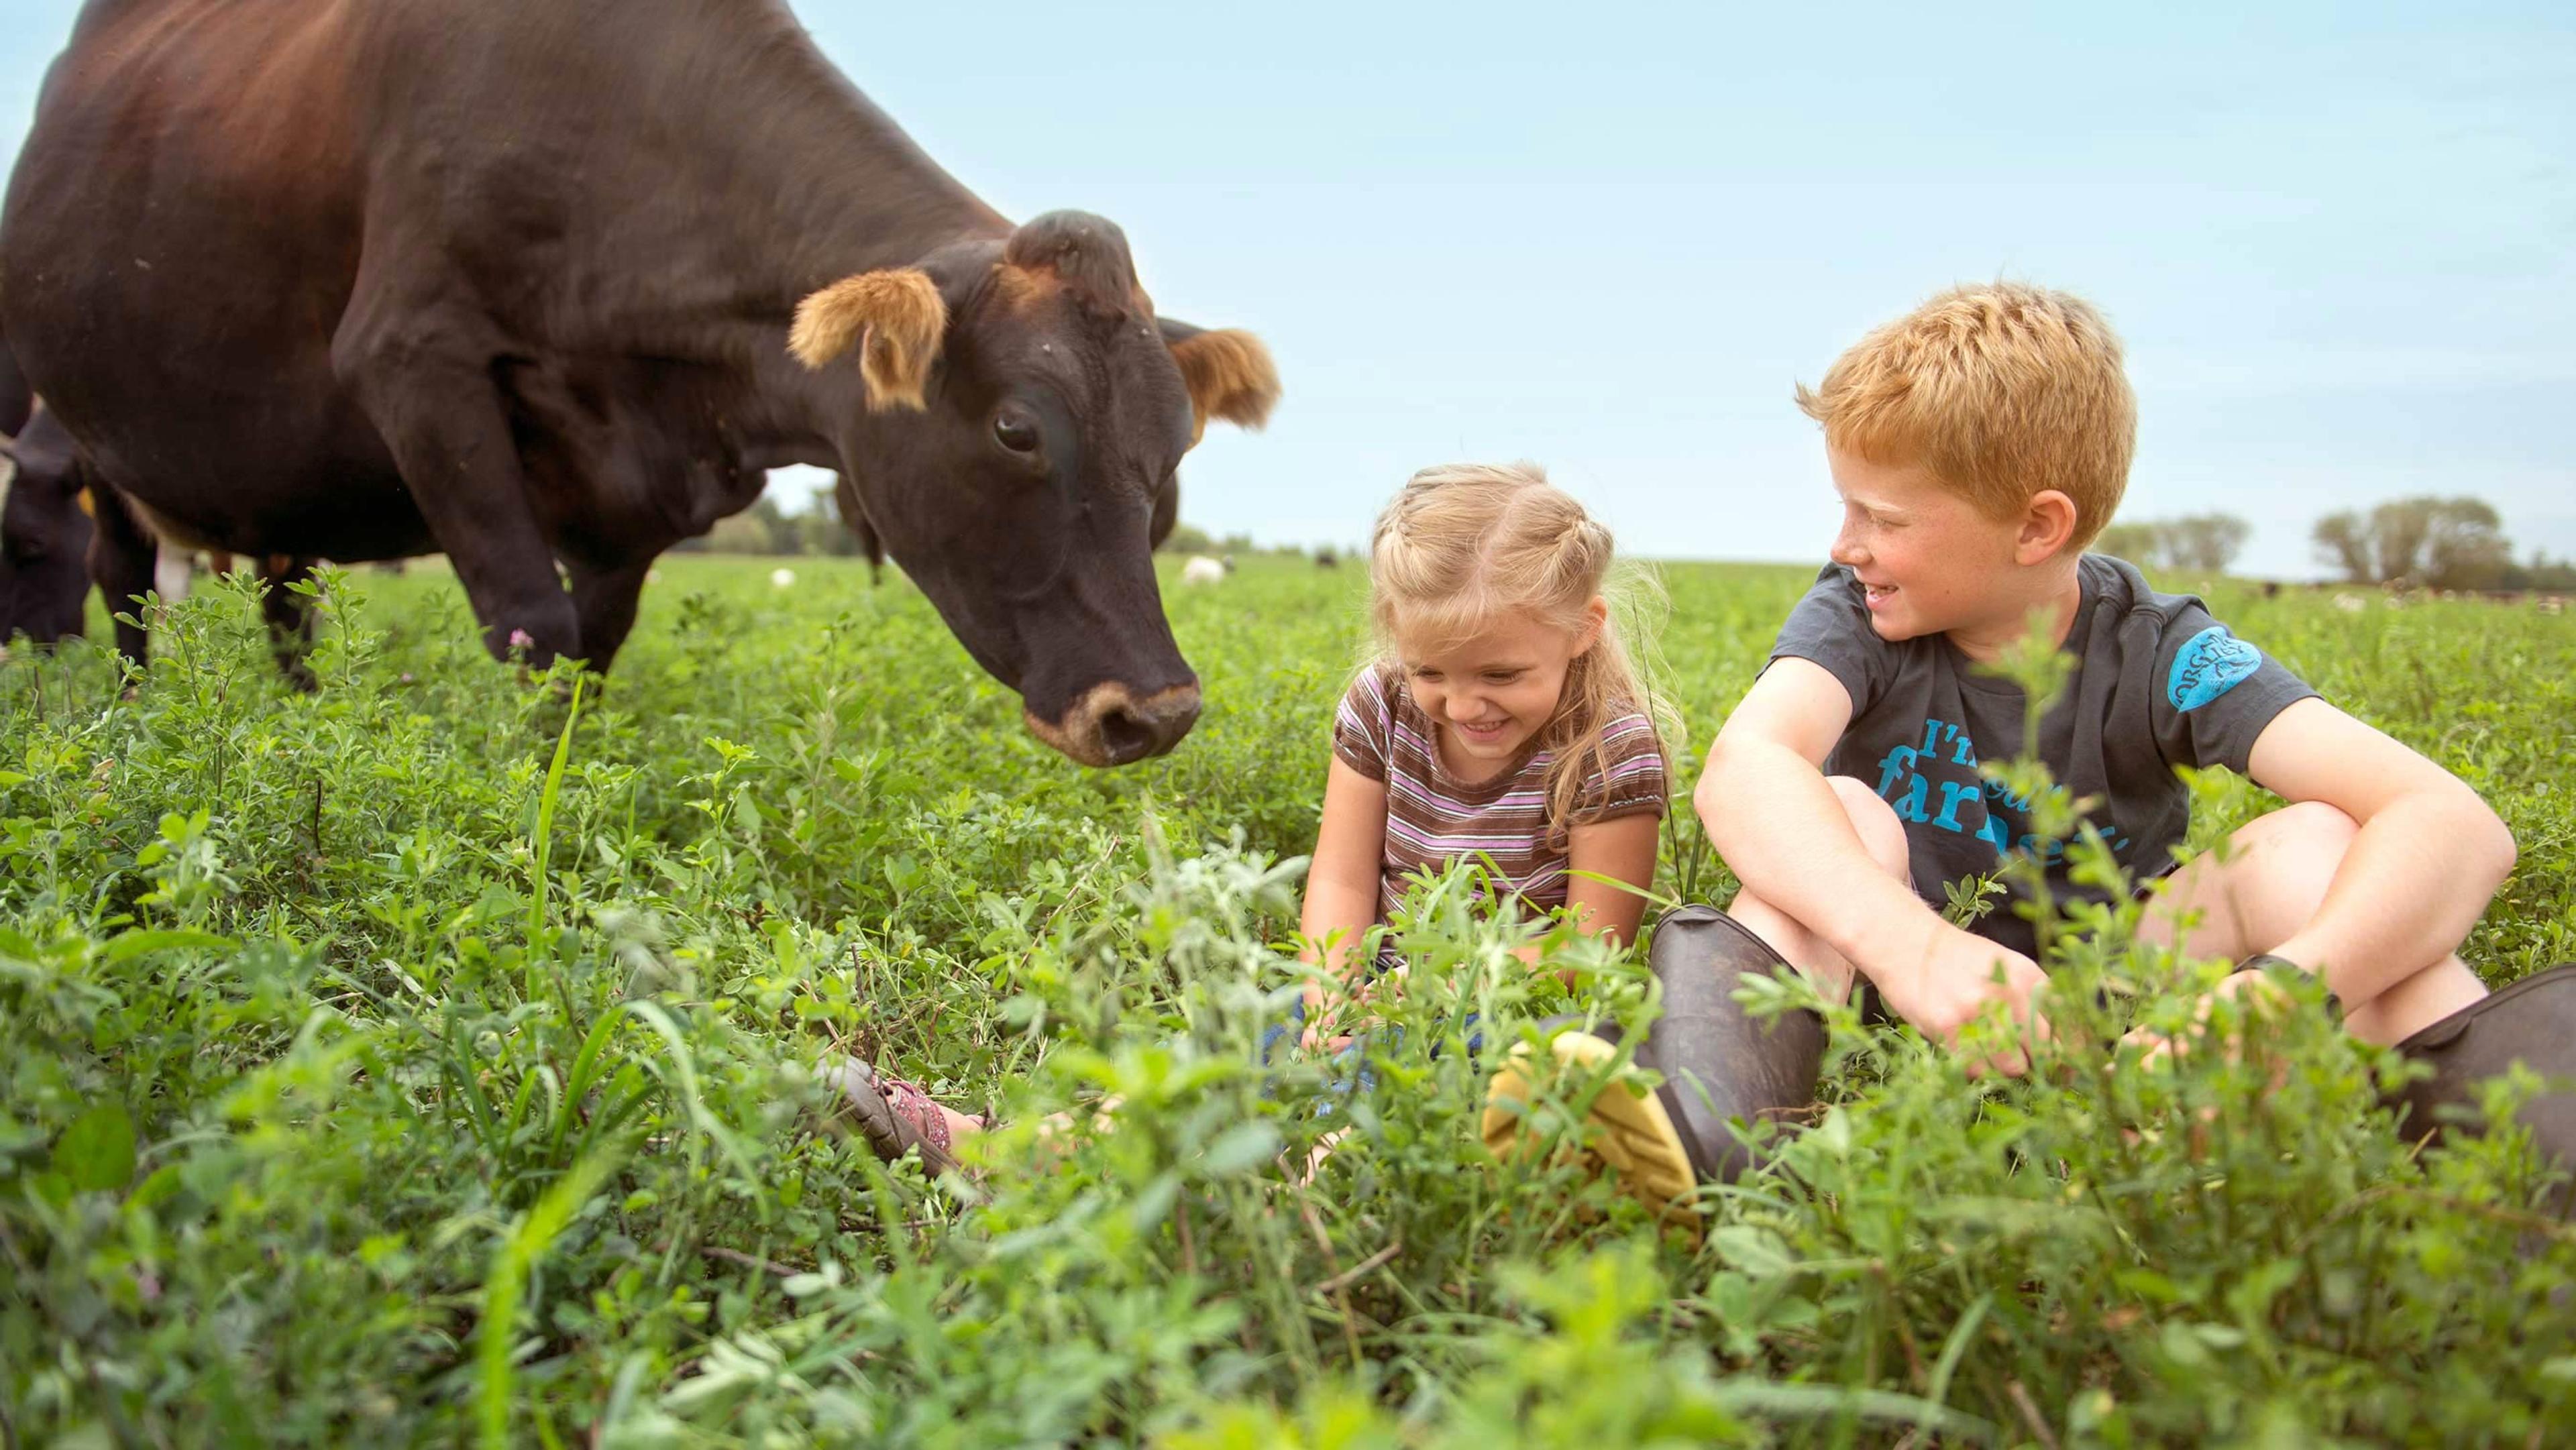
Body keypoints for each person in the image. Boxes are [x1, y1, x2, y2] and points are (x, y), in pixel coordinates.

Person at [1511, 282, 2573, 1208]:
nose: (1846, 545)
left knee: (2316, 847)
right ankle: (1701, 1133)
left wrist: (2288, 995)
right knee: (1839, 811)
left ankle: (2530, 1173)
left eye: (1880, 516)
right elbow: (1748, 766)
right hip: (1894, 988)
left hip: (2123, 1001)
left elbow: (2454, 823)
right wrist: (1916, 948)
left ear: (2036, 528)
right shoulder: (1860, 612)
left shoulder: (2166, 647)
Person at [829, 462, 1676, 1175]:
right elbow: (1343, 874)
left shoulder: (1609, 749)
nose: (1463, 704)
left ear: (1580, 629)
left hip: (1518, 1019)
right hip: (1375, 988)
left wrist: (1439, 991)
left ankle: (1311, 1205)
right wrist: (1329, 995)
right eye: (1432, 671)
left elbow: (1586, 949)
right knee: (1233, 1047)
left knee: (1393, 1088)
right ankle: (1011, 1155)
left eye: (1500, 672)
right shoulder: (1381, 706)